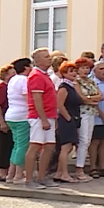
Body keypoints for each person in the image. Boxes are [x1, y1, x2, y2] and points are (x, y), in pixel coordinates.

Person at [24, 47, 59, 189]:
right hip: (39, 117)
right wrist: (43, 119)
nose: (49, 58)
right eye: (46, 57)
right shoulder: (36, 76)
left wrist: (52, 118)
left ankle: (41, 177)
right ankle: (29, 179)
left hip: (49, 115)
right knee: (35, 145)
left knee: (49, 146)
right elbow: (37, 99)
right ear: (37, 61)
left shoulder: (45, 75)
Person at [54, 62, 84, 183]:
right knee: (66, 147)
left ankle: (59, 173)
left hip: (73, 119)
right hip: (66, 120)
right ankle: (65, 174)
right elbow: (60, 105)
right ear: (64, 73)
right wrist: (68, 118)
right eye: (71, 71)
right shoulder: (64, 87)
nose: (74, 73)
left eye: (75, 71)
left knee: (69, 147)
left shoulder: (72, 86)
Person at [4, 58, 32, 184]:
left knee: (16, 145)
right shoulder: (24, 80)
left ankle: (10, 174)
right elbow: (27, 98)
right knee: (22, 146)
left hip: (11, 115)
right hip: (22, 115)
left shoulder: (12, 80)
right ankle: (18, 175)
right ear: (26, 68)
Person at [73, 57, 101, 178]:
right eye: (83, 68)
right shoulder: (76, 82)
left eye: (87, 68)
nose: (85, 70)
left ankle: (81, 166)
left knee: (88, 140)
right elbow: (81, 98)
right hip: (82, 113)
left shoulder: (91, 81)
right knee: (83, 140)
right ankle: (79, 168)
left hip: (91, 113)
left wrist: (89, 99)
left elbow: (101, 96)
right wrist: (91, 99)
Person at [0, 65, 15, 183]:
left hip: (11, 119)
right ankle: (3, 173)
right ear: (6, 75)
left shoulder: (12, 87)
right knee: (3, 147)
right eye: (12, 73)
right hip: (3, 120)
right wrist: (2, 122)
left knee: (11, 146)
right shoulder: (1, 88)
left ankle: (11, 171)